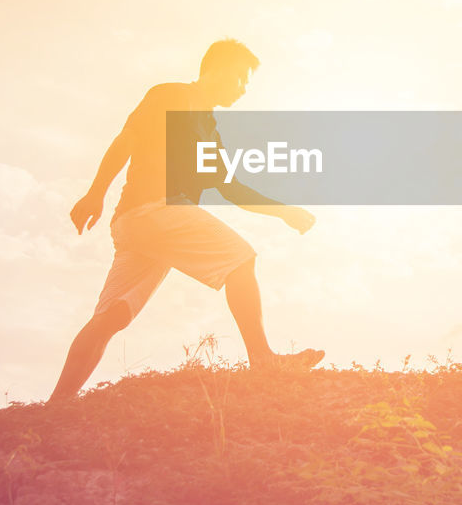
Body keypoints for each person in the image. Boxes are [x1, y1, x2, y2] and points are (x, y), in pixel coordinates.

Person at [49, 39, 324, 401]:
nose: (244, 89)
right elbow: (127, 140)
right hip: (155, 210)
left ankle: (56, 404)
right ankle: (262, 359)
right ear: (218, 69)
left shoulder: (208, 128)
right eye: (242, 79)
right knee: (241, 258)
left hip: (141, 227)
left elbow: (231, 189)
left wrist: (283, 211)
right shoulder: (171, 96)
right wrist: (95, 192)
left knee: (112, 316)